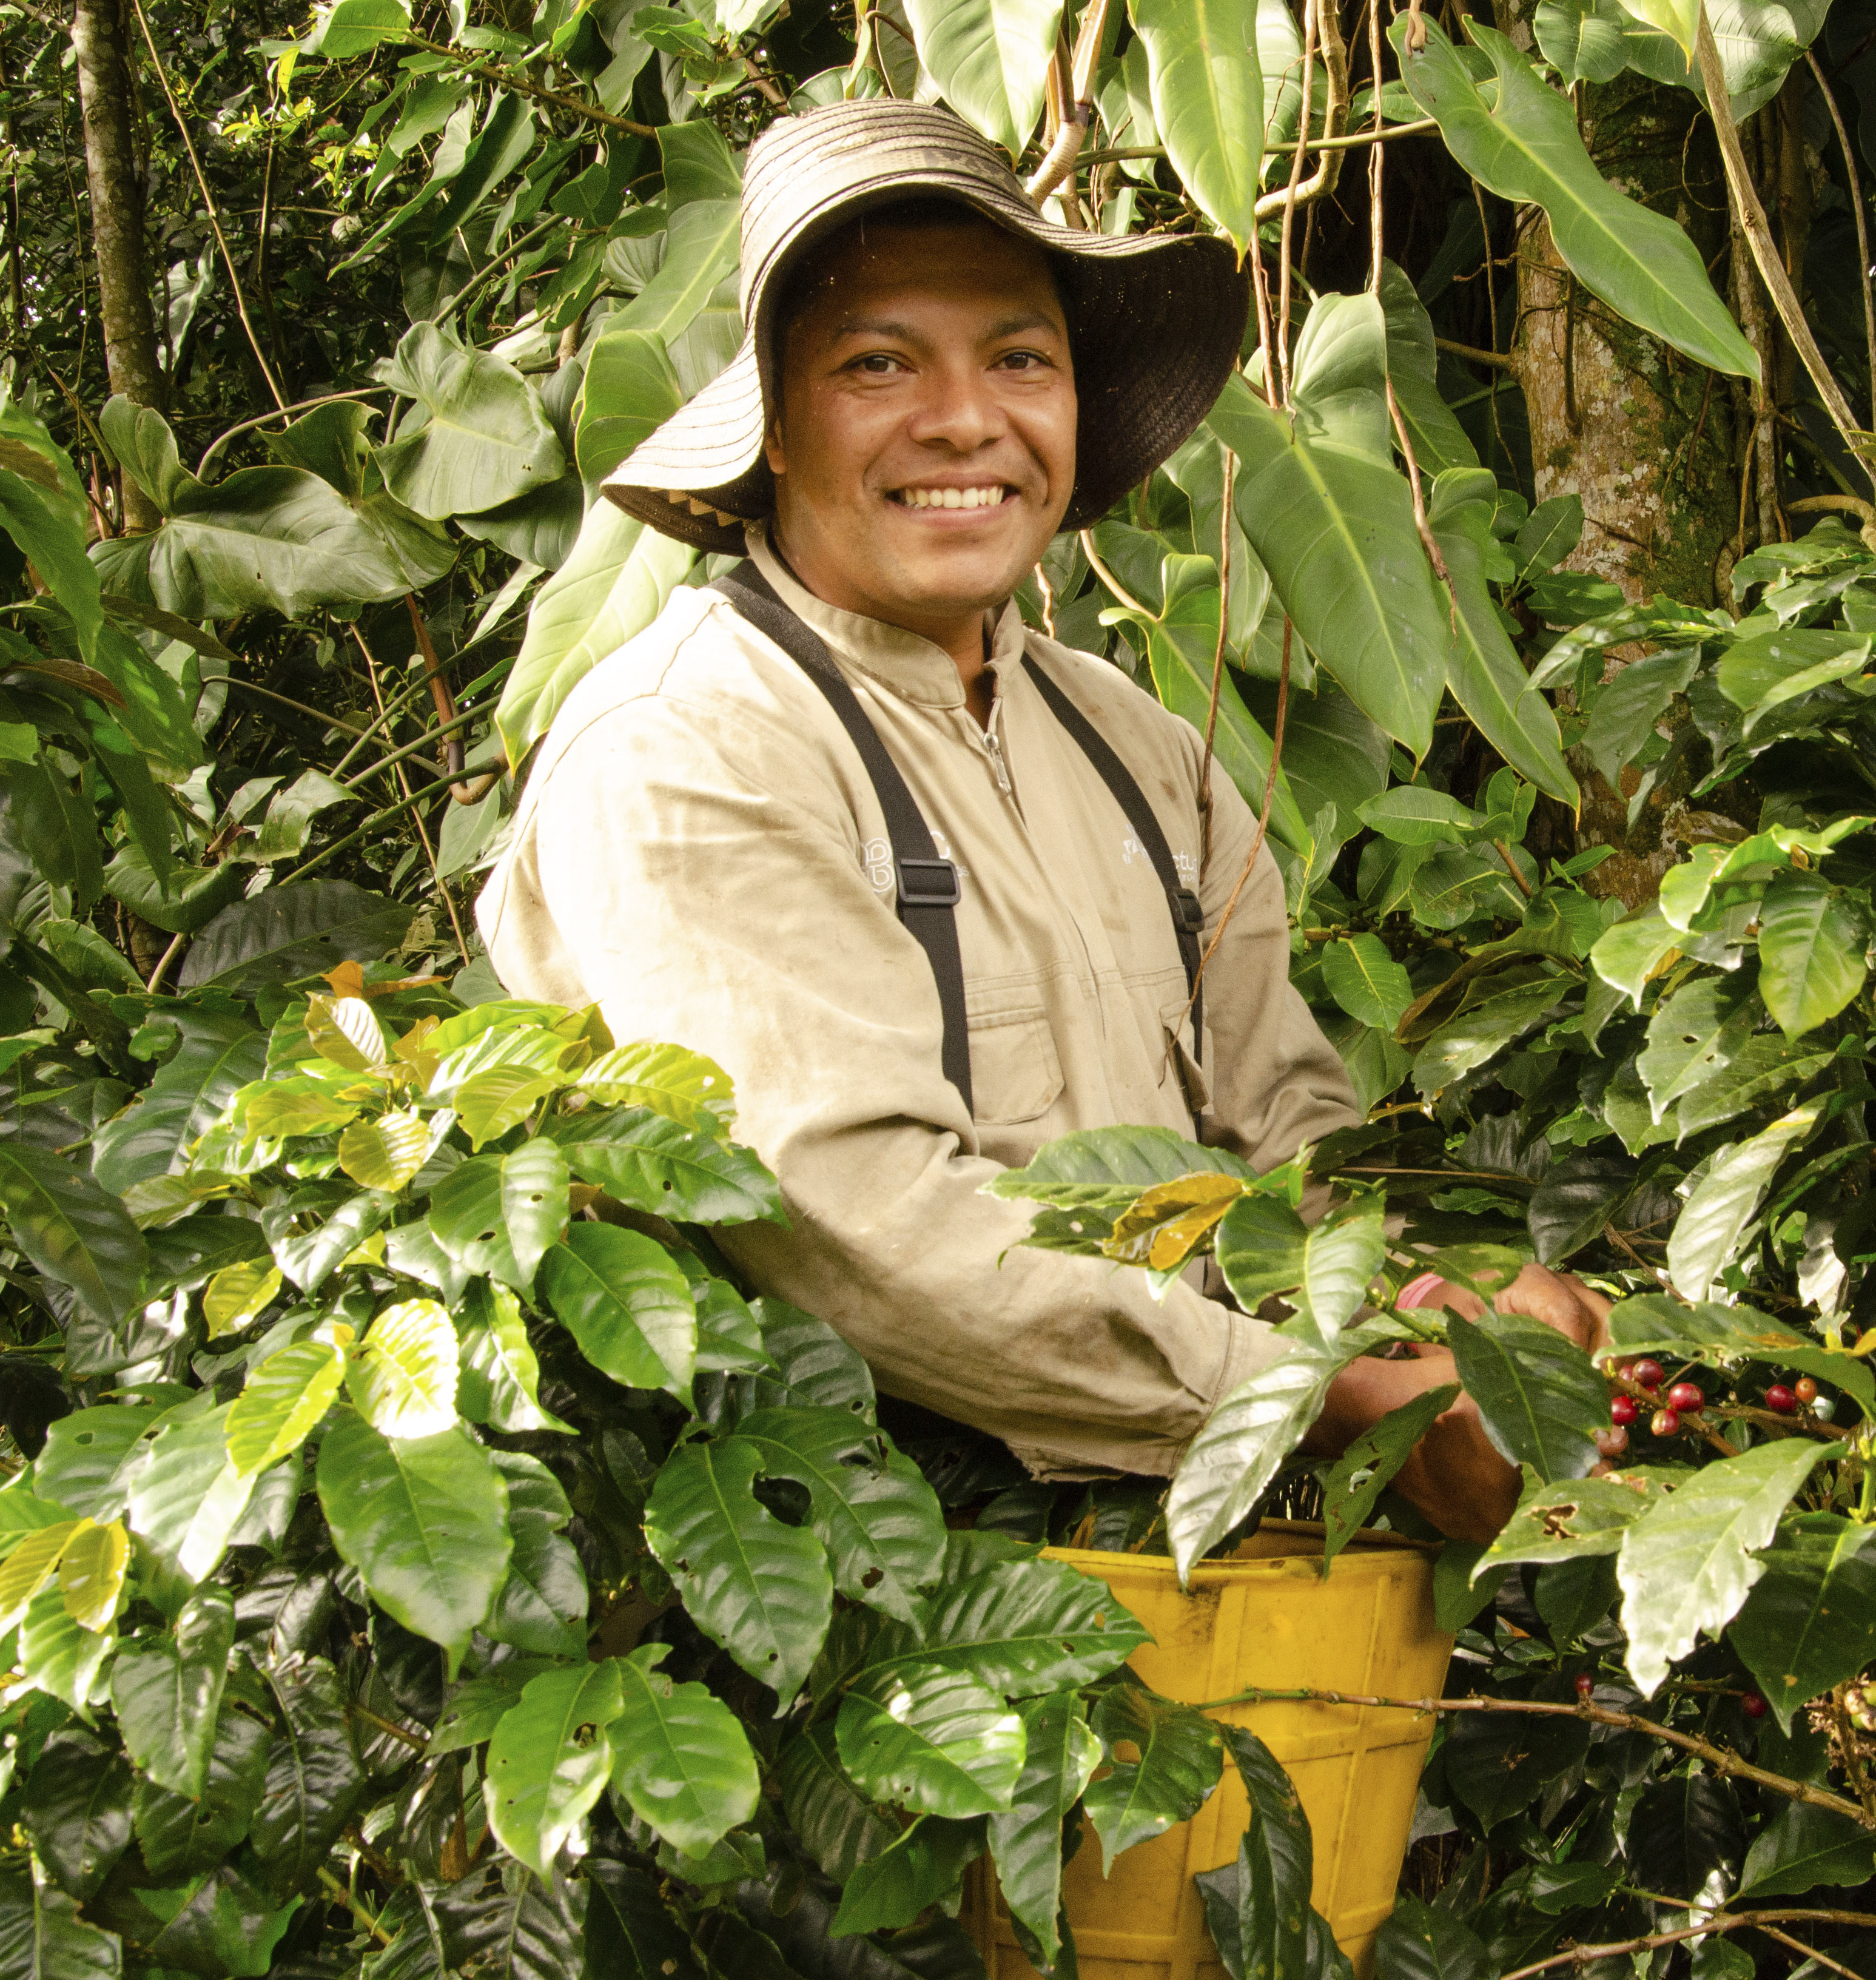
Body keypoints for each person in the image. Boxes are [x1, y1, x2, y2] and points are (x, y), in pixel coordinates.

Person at [475, 99, 1606, 1541]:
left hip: (1219, 1554)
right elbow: (859, 1227)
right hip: (893, 1601)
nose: (966, 419)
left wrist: (1447, 1315)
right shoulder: (688, 749)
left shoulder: (1140, 747)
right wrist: (1319, 1394)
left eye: (1019, 358)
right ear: (771, 419)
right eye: (877, 363)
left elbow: (1283, 1137)